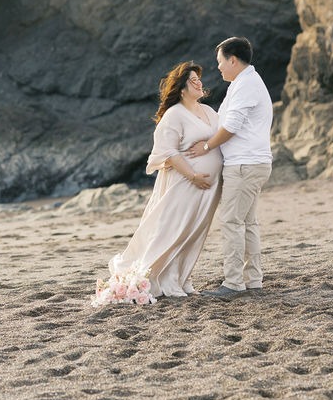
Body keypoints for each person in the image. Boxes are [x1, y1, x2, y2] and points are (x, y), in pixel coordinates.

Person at [91, 61, 223, 305]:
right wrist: (193, 175)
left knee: (194, 233)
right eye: (193, 80)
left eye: (199, 79)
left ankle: (180, 279)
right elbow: (168, 152)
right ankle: (157, 279)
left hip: (208, 188)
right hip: (185, 184)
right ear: (182, 88)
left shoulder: (209, 112)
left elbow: (220, 137)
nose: (199, 83)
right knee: (173, 231)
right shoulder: (174, 115)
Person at [186, 36, 273, 299]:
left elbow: (232, 126)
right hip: (251, 163)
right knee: (247, 222)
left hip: (245, 165)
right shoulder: (244, 83)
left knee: (233, 222)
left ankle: (234, 283)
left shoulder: (246, 84)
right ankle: (252, 279)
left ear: (232, 59)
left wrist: (206, 147)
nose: (219, 67)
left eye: (220, 62)